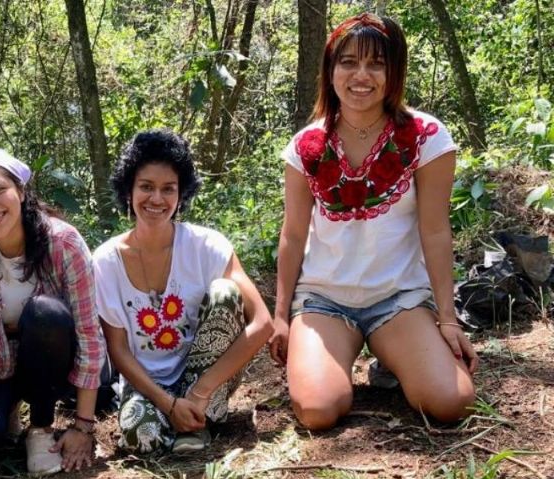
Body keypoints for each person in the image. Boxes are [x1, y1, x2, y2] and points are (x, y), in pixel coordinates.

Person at [268, 13, 478, 431]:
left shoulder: (426, 137)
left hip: (398, 299)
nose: (361, 76)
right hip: (324, 299)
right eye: (348, 62)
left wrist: (448, 319)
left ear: (394, 71)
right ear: (330, 71)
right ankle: (340, 361)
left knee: (451, 403)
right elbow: (292, 235)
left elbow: (435, 231)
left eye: (376, 64)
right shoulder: (307, 146)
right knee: (318, 410)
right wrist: (280, 315)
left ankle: (395, 359)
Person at [93, 130, 273, 453]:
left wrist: (199, 392)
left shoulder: (207, 246)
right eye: (146, 187)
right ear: (129, 190)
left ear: (181, 193)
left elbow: (262, 322)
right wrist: (167, 403)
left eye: (168, 189)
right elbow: (118, 350)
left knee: (224, 292)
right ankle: (185, 425)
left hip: (206, 380)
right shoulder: (106, 262)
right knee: (138, 433)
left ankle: (200, 414)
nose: (156, 199)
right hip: (148, 387)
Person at [0, 148, 107, 477]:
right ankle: (7, 410)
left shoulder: (63, 243)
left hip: (56, 357)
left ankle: (41, 426)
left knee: (45, 313)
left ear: (20, 190)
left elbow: (88, 332)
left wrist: (84, 426)